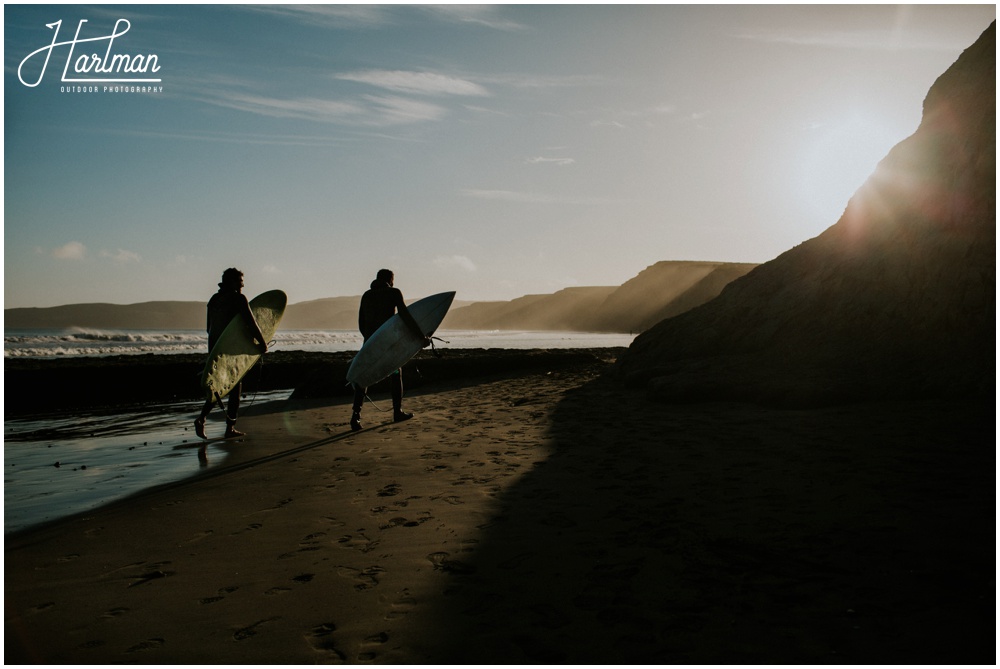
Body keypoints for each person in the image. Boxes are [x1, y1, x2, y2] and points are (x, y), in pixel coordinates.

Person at [351, 269, 430, 431]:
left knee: (364, 376)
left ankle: (355, 416)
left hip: (370, 343)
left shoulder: (366, 295)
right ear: (390, 280)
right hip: (388, 344)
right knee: (395, 373)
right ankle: (397, 412)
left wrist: (370, 341)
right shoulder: (393, 292)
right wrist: (420, 337)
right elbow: (405, 317)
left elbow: (361, 323)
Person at [194, 268, 267, 440]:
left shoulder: (214, 299)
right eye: (240, 281)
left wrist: (216, 349)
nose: (243, 284)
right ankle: (229, 427)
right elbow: (251, 322)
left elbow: (208, 328)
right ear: (233, 282)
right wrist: (262, 343)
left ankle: (203, 418)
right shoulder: (238, 298)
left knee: (220, 386)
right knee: (234, 386)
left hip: (215, 348)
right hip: (231, 350)